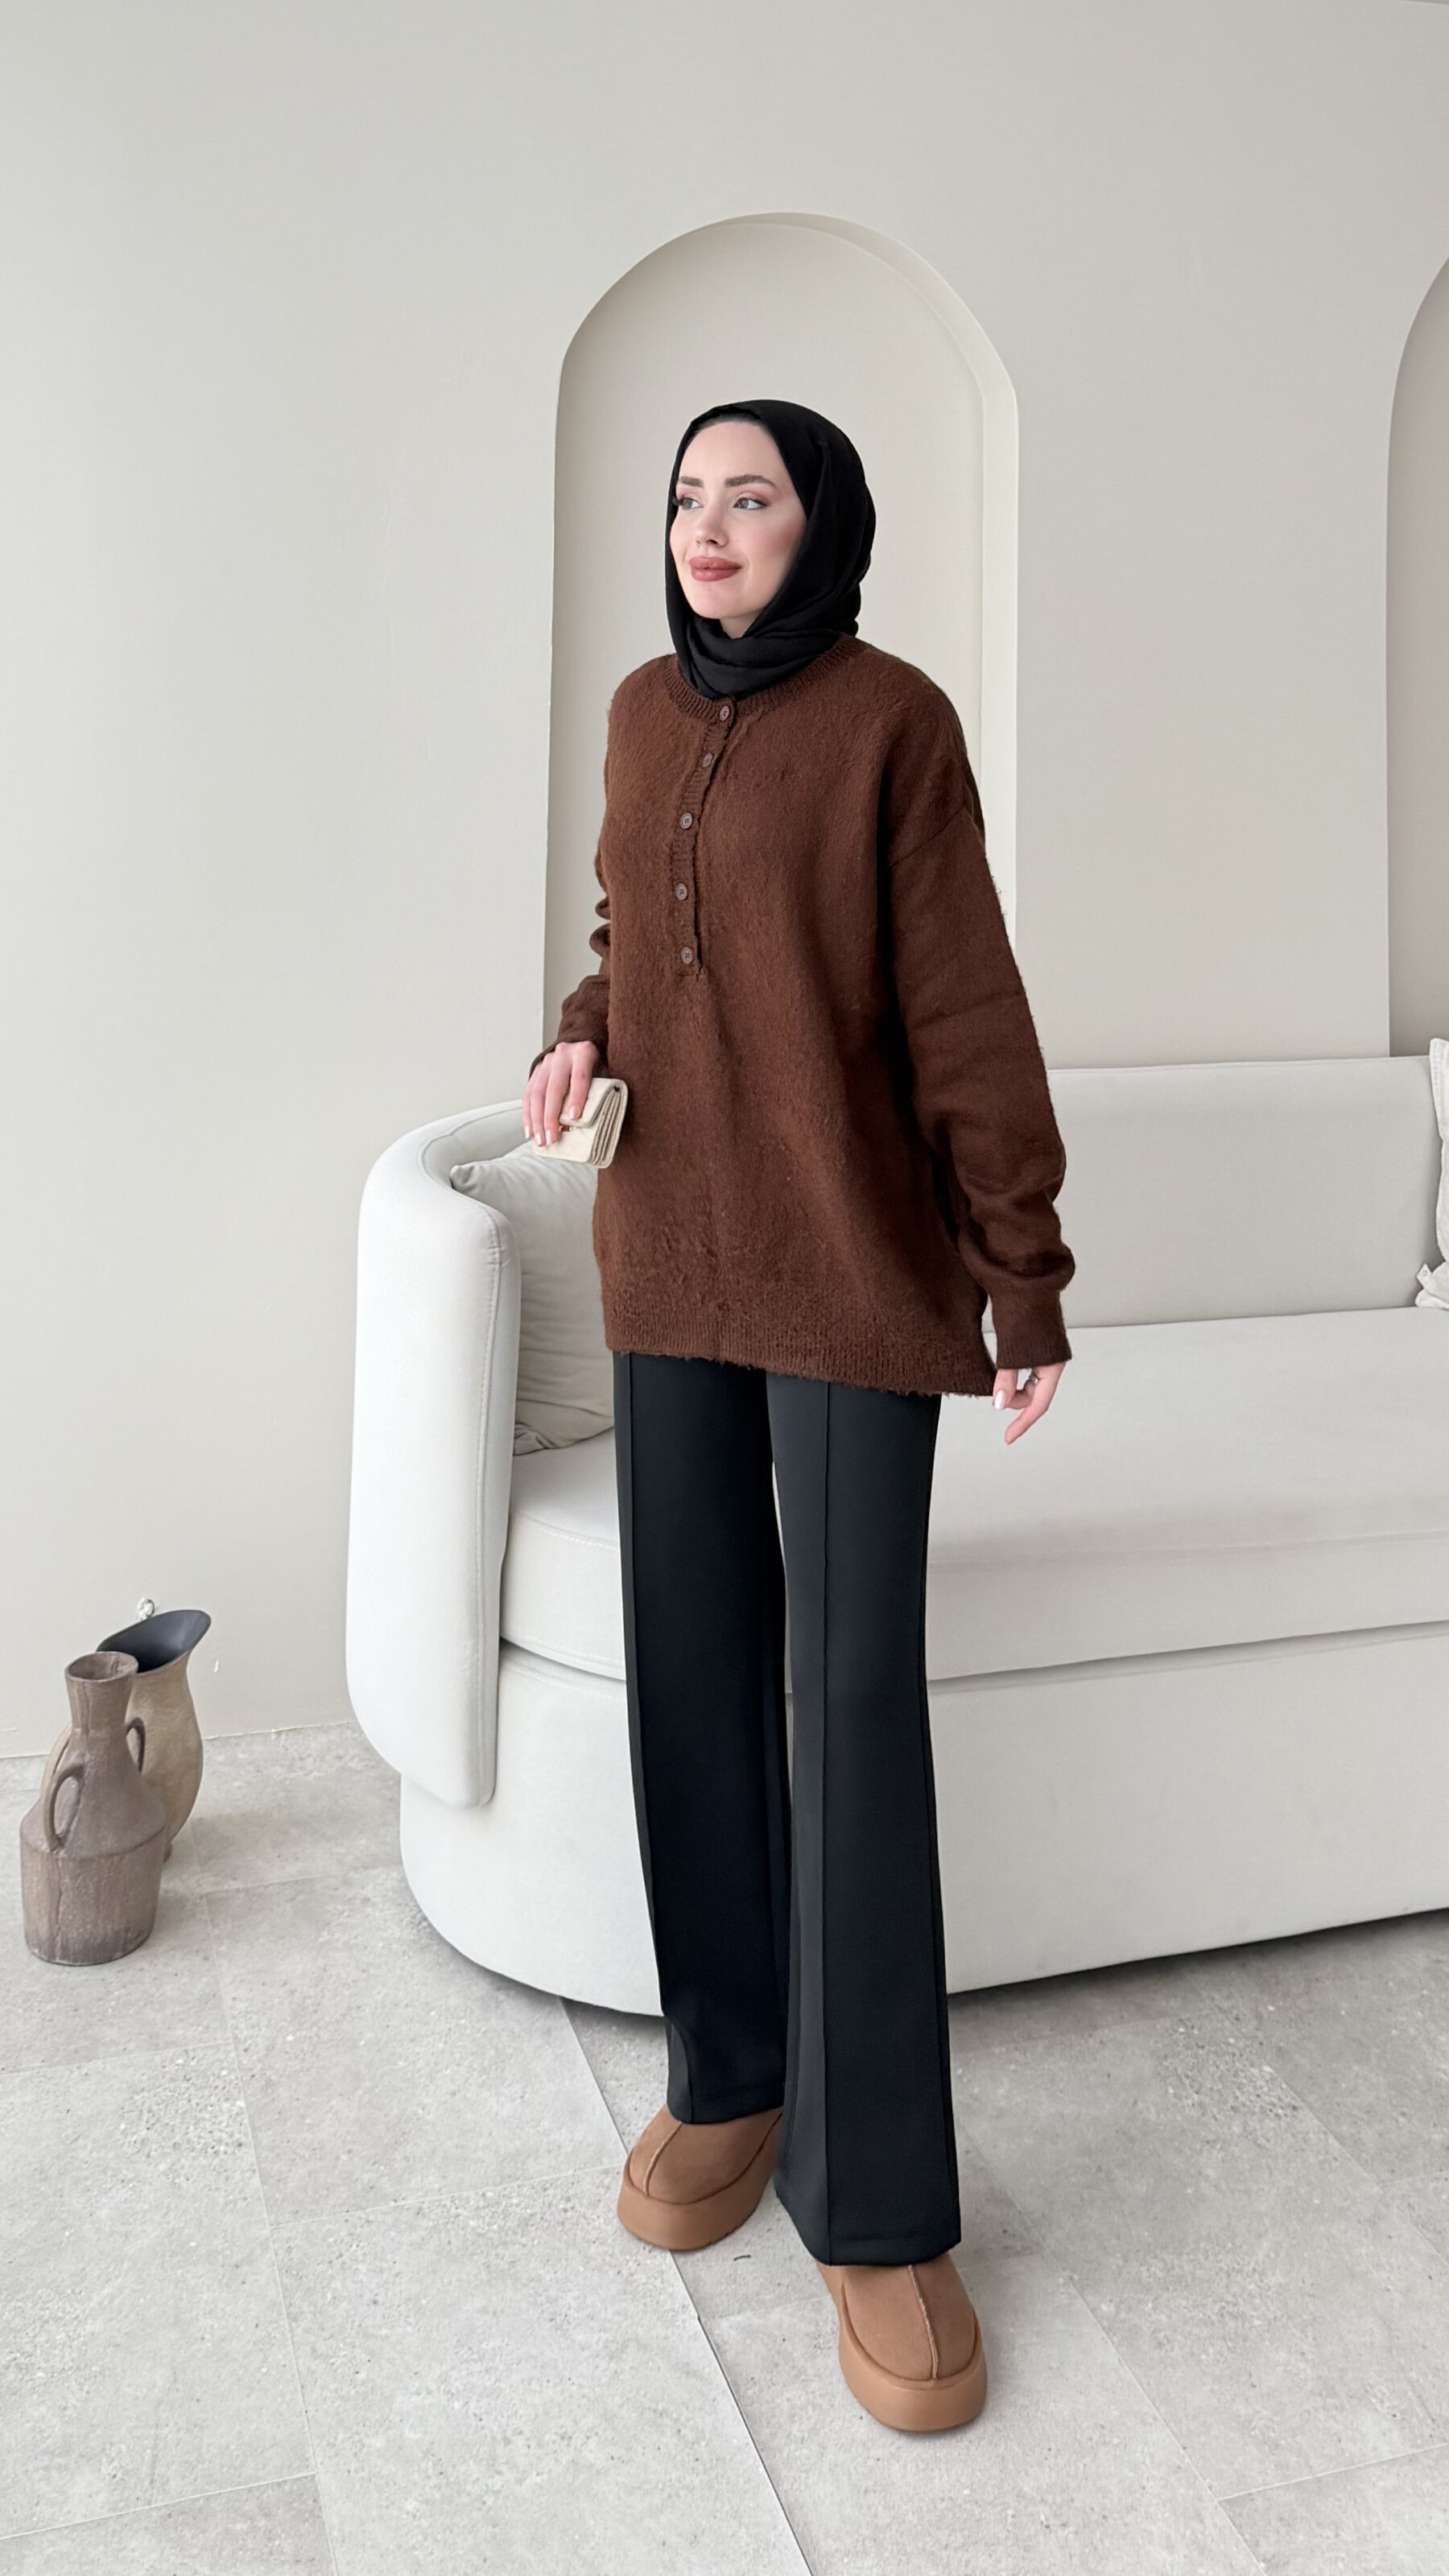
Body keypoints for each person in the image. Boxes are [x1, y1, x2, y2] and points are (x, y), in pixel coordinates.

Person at [523, 398, 1075, 2435]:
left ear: (821, 521)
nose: (708, 524)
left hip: (849, 1276)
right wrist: (579, 1039)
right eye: (687, 495)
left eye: (748, 495)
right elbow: (630, 943)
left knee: (846, 1711)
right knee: (692, 1672)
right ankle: (729, 2077)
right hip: (669, 1256)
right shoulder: (638, 713)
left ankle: (879, 2210)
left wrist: (1022, 1268)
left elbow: (964, 1002)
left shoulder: (893, 722)